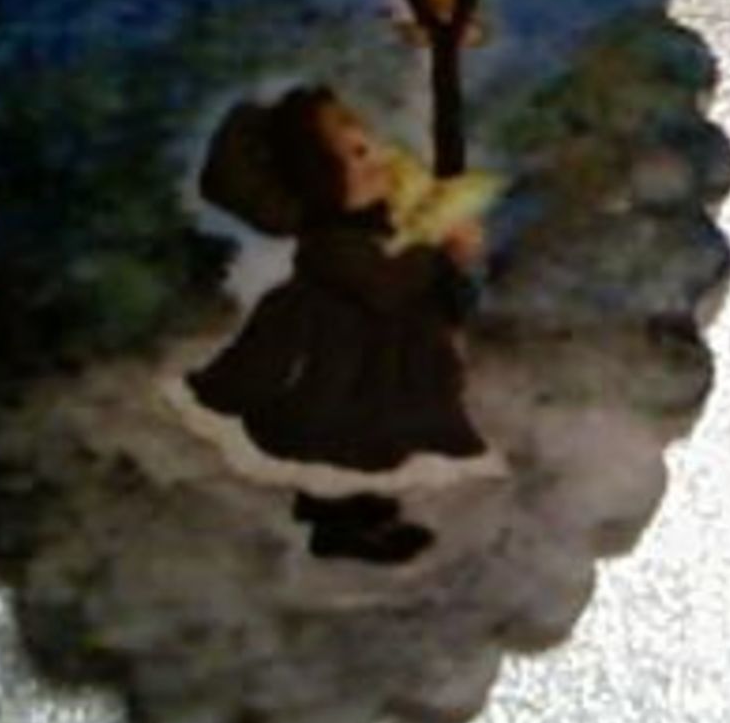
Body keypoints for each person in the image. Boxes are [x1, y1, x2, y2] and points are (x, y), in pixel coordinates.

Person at [184, 86, 500, 563]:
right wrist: (437, 252)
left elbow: (434, 299)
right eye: (355, 154)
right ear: (320, 178)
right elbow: (384, 287)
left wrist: (452, 263)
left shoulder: (386, 226)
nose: (378, 158)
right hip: (336, 377)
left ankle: (369, 514)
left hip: (382, 373)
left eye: (370, 143)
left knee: (380, 445)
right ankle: (338, 528)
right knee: (340, 446)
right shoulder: (332, 242)